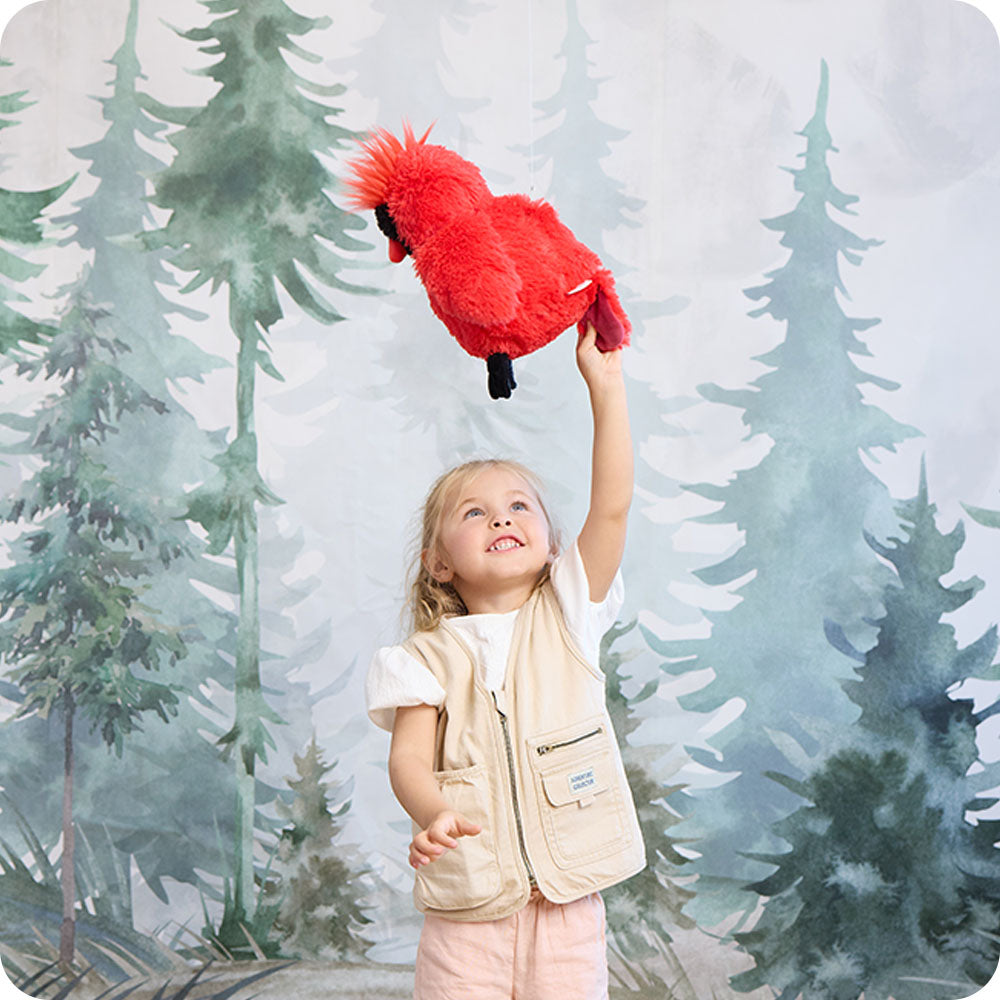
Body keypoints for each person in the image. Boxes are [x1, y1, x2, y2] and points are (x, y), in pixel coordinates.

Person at [365, 324, 645, 999]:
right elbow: (407, 760)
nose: (500, 519)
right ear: (438, 562)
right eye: (475, 513)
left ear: (549, 541)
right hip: (467, 917)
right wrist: (433, 811)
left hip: (567, 905)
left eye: (518, 506)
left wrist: (606, 391)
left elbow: (611, 508)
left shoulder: (570, 613)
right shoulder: (422, 658)